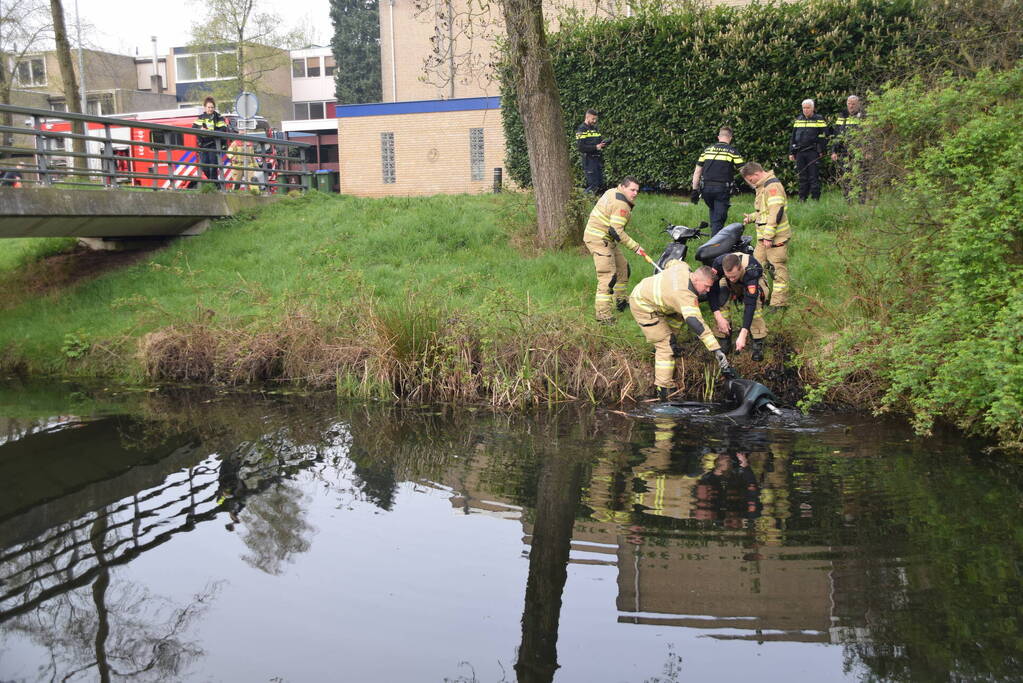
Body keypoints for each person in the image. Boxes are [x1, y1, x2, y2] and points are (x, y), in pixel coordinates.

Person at [629, 260, 733, 401]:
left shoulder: (683, 268)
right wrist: (716, 349)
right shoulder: (685, 295)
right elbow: (697, 324)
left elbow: (671, 262)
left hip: (654, 296)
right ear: (696, 278)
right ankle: (664, 389)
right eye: (707, 286)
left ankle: (668, 345)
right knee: (666, 345)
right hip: (642, 305)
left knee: (678, 320)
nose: (708, 291)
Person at [583, 176, 650, 323]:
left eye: (637, 190)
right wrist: (636, 247)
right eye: (632, 190)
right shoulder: (621, 204)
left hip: (606, 238)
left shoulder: (613, 191)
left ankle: (620, 301)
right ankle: (603, 316)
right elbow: (616, 231)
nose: (635, 193)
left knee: (623, 268)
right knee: (608, 276)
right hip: (599, 239)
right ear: (623, 187)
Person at [741, 162, 791, 308]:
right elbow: (764, 212)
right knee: (755, 267)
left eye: (751, 180)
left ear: (757, 174)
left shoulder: (772, 186)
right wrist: (751, 217)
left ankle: (779, 304)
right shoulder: (762, 186)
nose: (751, 183)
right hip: (763, 240)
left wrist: (769, 236)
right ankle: (762, 296)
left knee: (777, 270)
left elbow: (776, 212)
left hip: (776, 239)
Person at [708, 251, 768, 360]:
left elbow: (750, 304)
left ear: (740, 268)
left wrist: (743, 333)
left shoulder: (751, 271)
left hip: (755, 282)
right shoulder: (717, 265)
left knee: (755, 308)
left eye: (733, 276)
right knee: (721, 298)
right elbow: (712, 291)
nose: (732, 279)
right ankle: (724, 338)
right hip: (728, 281)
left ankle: (757, 341)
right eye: (728, 276)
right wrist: (718, 316)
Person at [691, 126, 745, 235]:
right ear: (730, 138)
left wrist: (694, 190)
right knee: (719, 221)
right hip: (722, 190)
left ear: (719, 137)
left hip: (705, 190)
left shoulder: (707, 150)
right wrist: (756, 186)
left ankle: (714, 238)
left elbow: (697, 172)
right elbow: (743, 171)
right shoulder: (732, 151)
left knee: (714, 213)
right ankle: (715, 246)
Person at [788, 98, 828, 201]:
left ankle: (815, 198)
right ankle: (802, 198)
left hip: (813, 152)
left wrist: (822, 151)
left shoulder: (819, 119)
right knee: (802, 176)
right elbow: (793, 137)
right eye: (804, 108)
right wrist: (791, 152)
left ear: (813, 108)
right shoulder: (799, 119)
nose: (806, 110)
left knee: (813, 176)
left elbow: (824, 136)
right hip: (800, 152)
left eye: (808, 108)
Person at [830, 95, 866, 197]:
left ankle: (861, 199)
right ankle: (848, 199)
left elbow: (869, 136)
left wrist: (868, 151)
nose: (851, 106)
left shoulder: (863, 116)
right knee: (846, 176)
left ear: (858, 104)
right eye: (849, 104)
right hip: (844, 152)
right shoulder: (842, 116)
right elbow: (836, 135)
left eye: (853, 104)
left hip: (859, 151)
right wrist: (833, 151)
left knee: (860, 176)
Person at [192, 96, 227, 188]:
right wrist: (201, 129)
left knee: (212, 167)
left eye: (212, 107)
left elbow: (223, 130)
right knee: (204, 167)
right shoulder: (201, 117)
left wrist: (212, 133)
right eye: (208, 107)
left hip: (213, 145)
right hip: (203, 145)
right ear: (205, 107)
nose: (210, 109)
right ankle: (216, 185)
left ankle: (214, 186)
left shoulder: (218, 117)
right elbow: (194, 128)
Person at [576, 109, 608, 194]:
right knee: (593, 185)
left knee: (600, 184)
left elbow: (598, 142)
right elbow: (581, 147)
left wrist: (602, 144)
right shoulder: (581, 129)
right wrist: (596, 147)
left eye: (595, 119)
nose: (594, 121)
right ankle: (581, 200)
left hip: (597, 159)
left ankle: (598, 205)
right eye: (593, 119)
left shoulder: (595, 128)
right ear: (587, 117)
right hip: (589, 160)